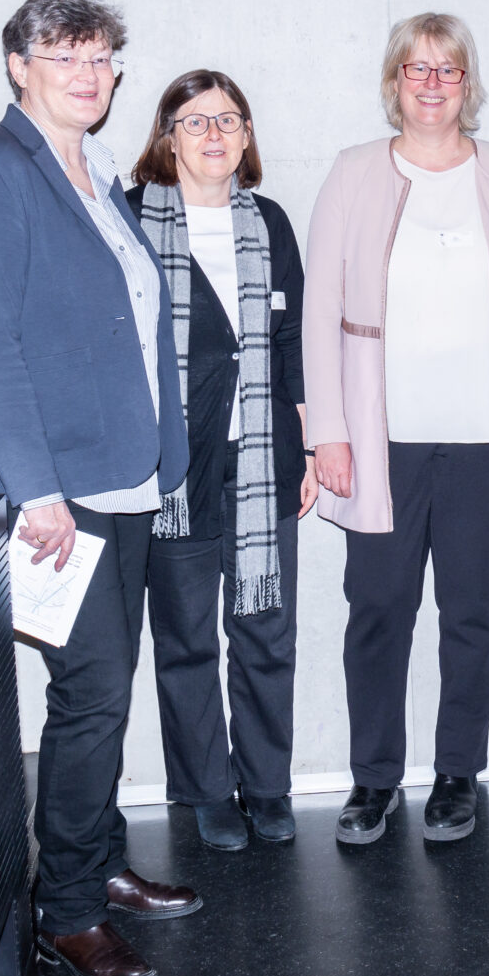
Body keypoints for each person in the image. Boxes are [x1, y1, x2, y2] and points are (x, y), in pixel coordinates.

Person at [0, 0, 197, 976]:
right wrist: (34, 491)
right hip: (53, 486)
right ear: (18, 66)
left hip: (117, 470)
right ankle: (69, 911)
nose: (88, 76)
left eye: (101, 59)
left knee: (103, 683)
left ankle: (99, 859)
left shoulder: (93, 169)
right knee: (92, 690)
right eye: (64, 57)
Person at [303, 12, 489, 846]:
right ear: (394, 83)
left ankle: (458, 774)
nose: (431, 83)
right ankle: (374, 779)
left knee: (471, 612)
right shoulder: (352, 172)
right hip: (380, 439)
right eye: (415, 69)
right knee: (378, 609)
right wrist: (328, 430)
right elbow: (318, 309)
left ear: (466, 84)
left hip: (488, 437)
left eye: (447, 69)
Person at [125, 69, 315, 853]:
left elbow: (292, 339)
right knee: (186, 640)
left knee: (266, 631)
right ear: (168, 136)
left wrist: (306, 444)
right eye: (195, 120)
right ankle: (206, 789)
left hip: (261, 458)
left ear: (247, 135)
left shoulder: (268, 222)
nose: (213, 134)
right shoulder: (131, 219)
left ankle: (267, 786)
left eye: (228, 120)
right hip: (173, 465)